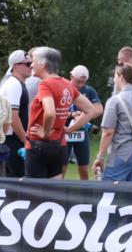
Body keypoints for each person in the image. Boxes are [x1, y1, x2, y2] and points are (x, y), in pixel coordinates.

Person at [24, 47, 97, 179]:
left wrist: (45, 133)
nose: (31, 64)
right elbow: (91, 110)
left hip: (38, 146)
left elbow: (50, 112)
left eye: (33, 60)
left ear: (44, 64)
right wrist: (69, 129)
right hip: (59, 146)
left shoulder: (45, 84)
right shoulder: (67, 84)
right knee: (53, 191)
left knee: (34, 194)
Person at [92, 64, 132, 182]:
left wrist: (100, 157)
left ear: (121, 77)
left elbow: (107, 132)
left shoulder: (114, 101)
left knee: (109, 192)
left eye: (115, 76)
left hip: (123, 152)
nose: (114, 80)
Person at [63, 65, 103, 180]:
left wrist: (85, 115)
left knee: (84, 167)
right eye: (77, 82)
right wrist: (71, 115)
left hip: (81, 131)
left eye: (83, 82)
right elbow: (55, 111)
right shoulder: (63, 88)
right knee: (62, 166)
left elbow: (99, 109)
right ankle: (58, 193)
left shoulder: (89, 90)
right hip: (64, 131)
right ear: (71, 77)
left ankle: (85, 193)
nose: (80, 85)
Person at [0, 50, 32, 177]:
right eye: (28, 64)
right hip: (12, 140)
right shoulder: (14, 84)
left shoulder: (17, 83)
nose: (31, 66)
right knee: (17, 181)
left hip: (13, 139)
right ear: (15, 66)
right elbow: (12, 116)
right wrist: (25, 140)